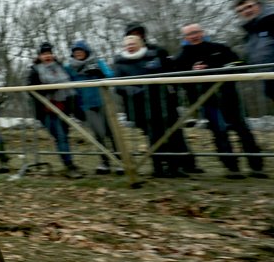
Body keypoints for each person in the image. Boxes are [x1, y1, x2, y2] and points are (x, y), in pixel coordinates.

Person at [173, 24, 267, 179]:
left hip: (228, 96)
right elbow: (177, 77)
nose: (194, 36)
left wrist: (216, 68)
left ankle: (257, 166)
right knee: (219, 132)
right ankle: (232, 168)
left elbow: (239, 63)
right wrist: (192, 72)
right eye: (189, 34)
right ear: (185, 37)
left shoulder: (219, 48)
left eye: (196, 32)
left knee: (243, 130)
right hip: (206, 100)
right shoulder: (182, 56)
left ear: (202, 32)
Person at [114, 35, 195, 178]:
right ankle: (158, 168)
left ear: (141, 44)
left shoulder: (154, 57)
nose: (130, 46)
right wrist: (134, 90)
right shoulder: (120, 63)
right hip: (140, 106)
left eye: (133, 43)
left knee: (172, 135)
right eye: (127, 45)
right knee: (153, 136)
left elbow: (167, 74)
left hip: (162, 101)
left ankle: (175, 167)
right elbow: (118, 85)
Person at [64, 40, 122, 175]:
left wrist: (100, 72)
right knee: (98, 134)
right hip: (86, 105)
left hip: (104, 102)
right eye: (75, 52)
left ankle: (120, 161)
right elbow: (66, 82)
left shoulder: (97, 62)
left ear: (86, 52)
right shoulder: (70, 67)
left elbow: (111, 76)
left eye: (80, 51)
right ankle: (105, 162)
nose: (78, 54)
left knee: (112, 132)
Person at [27, 42, 82, 178]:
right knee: (60, 137)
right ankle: (69, 166)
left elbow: (69, 83)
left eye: (49, 53)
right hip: (47, 109)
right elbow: (31, 89)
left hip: (63, 107)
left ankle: (69, 163)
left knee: (63, 136)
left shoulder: (60, 67)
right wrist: (52, 88)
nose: (47, 56)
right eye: (44, 54)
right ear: (39, 56)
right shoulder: (35, 70)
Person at [235, 0, 274, 103]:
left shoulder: (271, 21)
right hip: (268, 78)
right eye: (241, 10)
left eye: (249, 6)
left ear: (259, 5)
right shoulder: (250, 33)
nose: (246, 11)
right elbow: (254, 55)